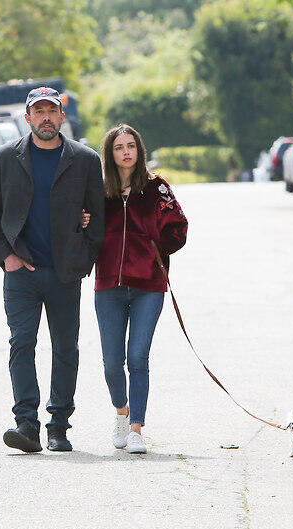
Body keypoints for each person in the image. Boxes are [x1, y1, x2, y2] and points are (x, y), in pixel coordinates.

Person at [0, 87, 105, 453]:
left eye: (52, 110)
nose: (46, 117)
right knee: (22, 343)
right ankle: (26, 424)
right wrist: (7, 256)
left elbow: (97, 217)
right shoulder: (4, 159)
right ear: (27, 117)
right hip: (21, 273)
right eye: (39, 112)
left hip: (65, 272)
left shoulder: (84, 160)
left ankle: (59, 425)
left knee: (66, 348)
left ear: (62, 116)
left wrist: (84, 260)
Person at [82, 124, 188, 453]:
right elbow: (81, 231)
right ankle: (121, 413)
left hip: (148, 285)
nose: (126, 151)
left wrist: (155, 248)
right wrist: (83, 223)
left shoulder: (157, 188)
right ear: (110, 154)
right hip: (108, 285)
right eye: (119, 147)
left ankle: (136, 429)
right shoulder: (99, 191)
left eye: (131, 146)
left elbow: (179, 229)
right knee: (112, 363)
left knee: (137, 357)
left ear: (139, 150)